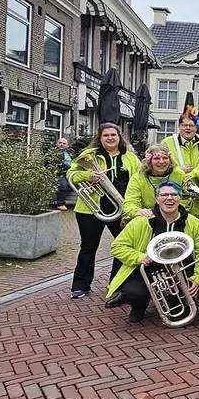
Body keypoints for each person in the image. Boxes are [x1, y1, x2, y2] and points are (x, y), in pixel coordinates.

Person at [106, 181, 199, 323]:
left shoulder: (193, 222)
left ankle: (178, 300)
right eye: (164, 195)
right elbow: (117, 246)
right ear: (157, 199)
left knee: (180, 312)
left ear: (180, 198)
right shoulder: (142, 221)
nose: (169, 198)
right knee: (133, 293)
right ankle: (139, 306)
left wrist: (197, 279)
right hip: (149, 270)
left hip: (181, 271)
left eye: (174, 194)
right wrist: (139, 257)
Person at [67, 123, 141, 299]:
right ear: (99, 138)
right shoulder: (89, 156)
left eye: (113, 135)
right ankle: (80, 285)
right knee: (88, 247)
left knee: (124, 246)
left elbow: (139, 179)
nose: (110, 138)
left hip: (122, 209)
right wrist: (87, 176)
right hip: (91, 210)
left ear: (119, 137)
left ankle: (117, 282)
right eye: (105, 135)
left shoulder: (130, 158)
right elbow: (71, 174)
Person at [123, 144, 187, 220]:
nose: (161, 161)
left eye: (165, 158)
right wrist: (138, 211)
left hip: (174, 216)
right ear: (149, 161)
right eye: (156, 158)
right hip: (148, 217)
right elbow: (130, 202)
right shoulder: (138, 178)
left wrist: (173, 211)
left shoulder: (179, 175)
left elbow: (186, 198)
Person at [54, 137, 73, 210]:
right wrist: (68, 167)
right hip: (60, 173)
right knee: (63, 185)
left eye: (64, 143)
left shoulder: (70, 152)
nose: (62, 145)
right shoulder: (53, 153)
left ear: (67, 145)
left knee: (76, 182)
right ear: (57, 144)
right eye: (60, 143)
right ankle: (60, 204)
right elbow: (55, 164)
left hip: (71, 172)